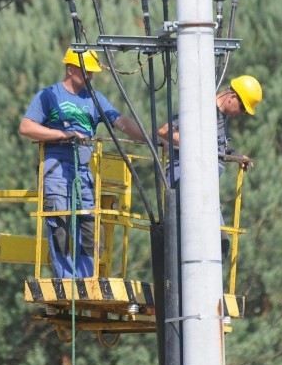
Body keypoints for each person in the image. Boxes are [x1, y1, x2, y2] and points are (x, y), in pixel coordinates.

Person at [20, 48, 146, 279]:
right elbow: (26, 127)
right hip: (57, 166)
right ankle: (68, 280)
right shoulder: (49, 95)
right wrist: (61, 135)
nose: (91, 77)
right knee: (59, 221)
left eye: (92, 73)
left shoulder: (95, 99)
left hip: (83, 170)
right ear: (70, 69)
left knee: (88, 223)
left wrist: (152, 138)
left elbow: (122, 122)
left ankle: (86, 278)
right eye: (86, 72)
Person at [156, 74, 263, 256]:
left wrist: (235, 155)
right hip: (186, 183)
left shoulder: (222, 117)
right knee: (193, 246)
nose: (243, 113)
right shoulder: (203, 109)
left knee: (220, 244)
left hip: (205, 189)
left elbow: (219, 144)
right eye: (243, 108)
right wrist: (197, 145)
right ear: (231, 97)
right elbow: (164, 130)